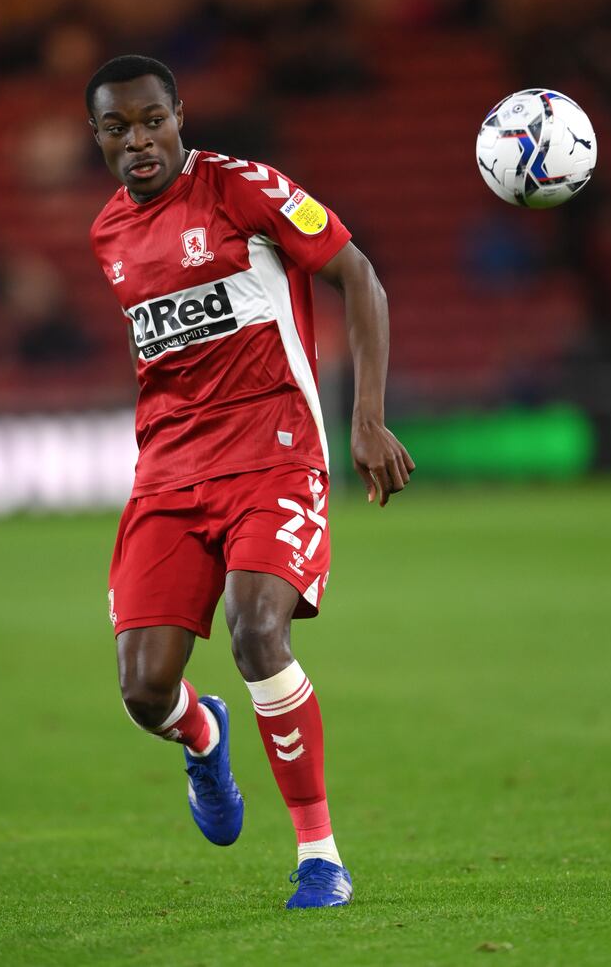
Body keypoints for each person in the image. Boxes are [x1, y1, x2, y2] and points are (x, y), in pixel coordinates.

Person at [86, 54, 414, 910]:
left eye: (152, 119)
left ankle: (319, 855)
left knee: (257, 629)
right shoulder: (108, 234)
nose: (140, 140)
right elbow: (158, 349)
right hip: (167, 474)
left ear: (179, 115)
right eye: (118, 128)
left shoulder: (242, 189)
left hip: (273, 454)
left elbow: (360, 276)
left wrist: (367, 417)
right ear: (99, 139)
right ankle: (203, 732)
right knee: (142, 688)